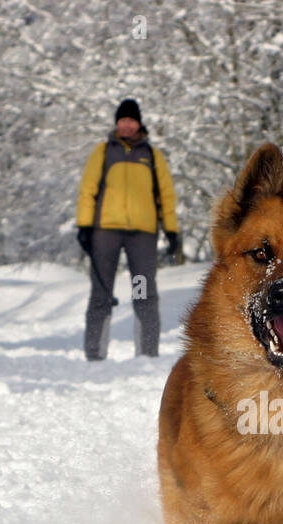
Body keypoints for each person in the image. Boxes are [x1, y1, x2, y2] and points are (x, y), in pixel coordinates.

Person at [76, 99, 181, 360]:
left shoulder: (152, 156)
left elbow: (166, 195)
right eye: (122, 120)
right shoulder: (102, 152)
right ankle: (94, 355)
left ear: (139, 123)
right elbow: (87, 190)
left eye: (131, 120)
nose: (126, 125)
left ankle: (147, 353)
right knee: (101, 292)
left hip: (142, 234)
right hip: (105, 232)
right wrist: (85, 226)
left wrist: (171, 230)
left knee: (143, 291)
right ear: (116, 123)